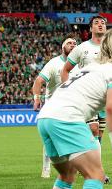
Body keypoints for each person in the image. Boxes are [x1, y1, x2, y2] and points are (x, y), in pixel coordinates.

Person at [36, 28, 112, 189]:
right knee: (96, 175)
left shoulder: (90, 67)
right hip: (66, 118)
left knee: (67, 175)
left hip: (45, 118)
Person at [32, 37, 77, 178]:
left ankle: (77, 167)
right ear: (63, 47)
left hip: (73, 106)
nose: (72, 45)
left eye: (75, 43)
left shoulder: (81, 64)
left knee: (76, 136)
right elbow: (39, 81)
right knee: (50, 139)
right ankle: (46, 168)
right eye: (69, 43)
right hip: (54, 107)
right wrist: (37, 98)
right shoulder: (54, 63)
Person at [62, 16, 108, 139]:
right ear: (90, 28)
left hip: (105, 95)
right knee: (94, 129)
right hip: (87, 95)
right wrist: (68, 92)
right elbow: (65, 70)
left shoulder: (111, 47)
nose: (100, 25)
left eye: (103, 23)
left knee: (99, 135)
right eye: (96, 23)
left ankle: (93, 157)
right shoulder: (82, 48)